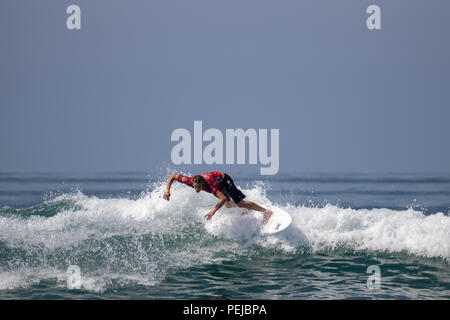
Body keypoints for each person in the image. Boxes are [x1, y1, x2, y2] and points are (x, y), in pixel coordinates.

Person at [163, 172, 273, 223]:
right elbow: (172, 176)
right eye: (194, 187)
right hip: (218, 182)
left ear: (203, 184)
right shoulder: (189, 180)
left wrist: (213, 211)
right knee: (228, 205)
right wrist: (167, 191)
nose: (196, 190)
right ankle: (245, 212)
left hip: (225, 180)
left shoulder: (210, 185)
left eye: (198, 187)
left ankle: (266, 212)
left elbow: (223, 197)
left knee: (239, 202)